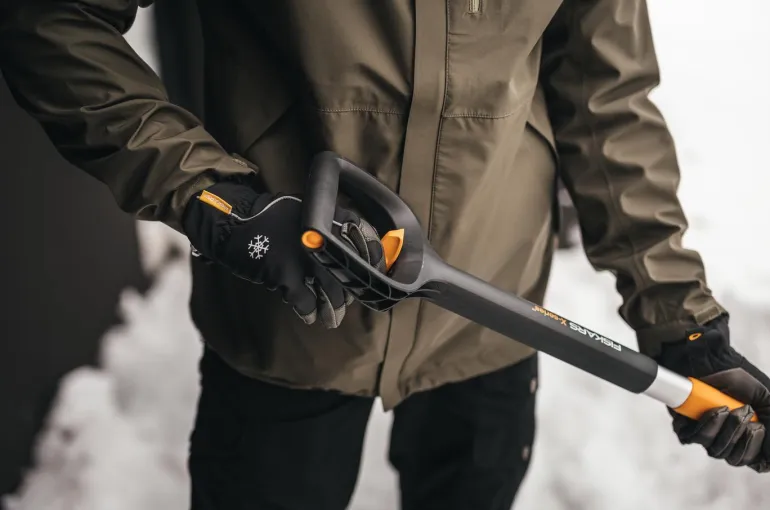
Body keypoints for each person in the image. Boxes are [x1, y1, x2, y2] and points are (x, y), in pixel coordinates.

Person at [1, 1, 768, 509]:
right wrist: (218, 199)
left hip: (493, 310)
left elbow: (608, 101)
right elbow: (52, 19)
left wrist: (684, 326)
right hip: (297, 304)